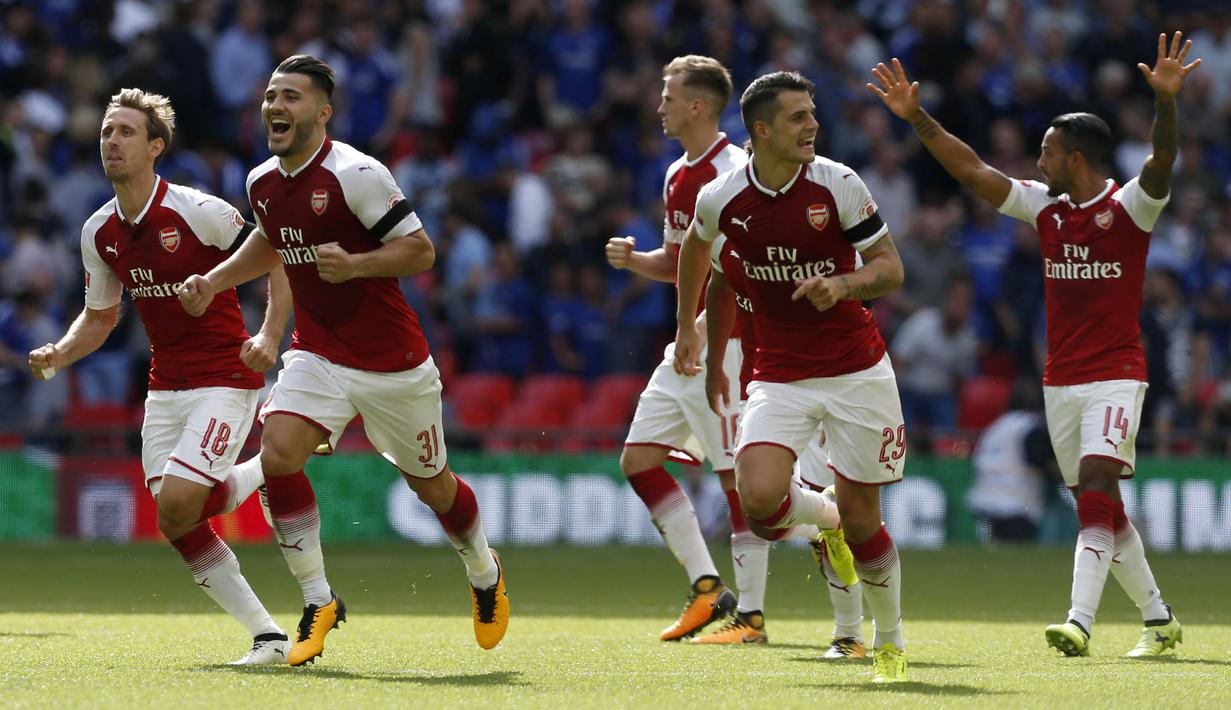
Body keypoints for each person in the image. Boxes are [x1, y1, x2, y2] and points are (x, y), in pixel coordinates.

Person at [867, 32, 1198, 657]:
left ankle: (1079, 620)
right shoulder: (1044, 209)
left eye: (1046, 153)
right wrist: (917, 119)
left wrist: (1166, 103)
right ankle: (1159, 622)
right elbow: (971, 172)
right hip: (1060, 382)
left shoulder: (1130, 208)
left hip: (1116, 374)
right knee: (1101, 504)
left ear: (1076, 158)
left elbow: (1162, 160)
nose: (1036, 163)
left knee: (1096, 483)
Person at [176, 55, 509, 665]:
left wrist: (357, 264)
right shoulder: (261, 183)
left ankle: (485, 572)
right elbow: (270, 242)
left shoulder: (357, 173)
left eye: (292, 97)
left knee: (432, 488)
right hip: (318, 352)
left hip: (394, 365)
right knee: (277, 454)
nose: (276, 106)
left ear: (322, 113)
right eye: (271, 95)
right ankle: (318, 600)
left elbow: (421, 251)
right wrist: (215, 278)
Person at [27, 89, 291, 666]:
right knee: (174, 518)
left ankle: (259, 473)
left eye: (125, 132)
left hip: (226, 377)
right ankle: (268, 637)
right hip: (165, 386)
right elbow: (100, 318)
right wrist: (60, 353)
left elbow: (275, 254)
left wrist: (269, 336)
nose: (111, 141)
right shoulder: (99, 232)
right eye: (105, 131)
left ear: (155, 147)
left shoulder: (199, 211)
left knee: (179, 498)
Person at [675, 70, 909, 683]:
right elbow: (703, 261)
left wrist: (844, 283)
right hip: (777, 374)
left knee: (867, 521)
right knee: (759, 506)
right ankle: (825, 515)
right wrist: (689, 332)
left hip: (856, 370)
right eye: (798, 117)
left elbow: (890, 270)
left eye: (812, 114)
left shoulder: (839, 185)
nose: (813, 125)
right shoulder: (721, 198)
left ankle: (889, 642)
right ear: (762, 130)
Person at [604, 55, 771, 644]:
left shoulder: (736, 171)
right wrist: (637, 261)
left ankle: (751, 618)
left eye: (669, 97)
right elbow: (682, 264)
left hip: (723, 341)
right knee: (639, 459)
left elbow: (742, 269)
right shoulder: (678, 173)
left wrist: (705, 328)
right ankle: (708, 587)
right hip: (689, 338)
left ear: (697, 106)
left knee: (738, 482)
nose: (660, 106)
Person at [705, 225, 864, 659]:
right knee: (761, 513)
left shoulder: (814, 235)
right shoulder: (727, 240)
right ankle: (828, 514)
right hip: (762, 389)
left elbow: (861, 296)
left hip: (817, 384)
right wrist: (701, 345)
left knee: (816, 524)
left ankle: (850, 635)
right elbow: (720, 289)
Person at [967, 380, 1058, 542]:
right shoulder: (1030, 426)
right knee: (1016, 557)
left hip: (984, 498)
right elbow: (1036, 459)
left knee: (994, 556)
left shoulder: (996, 426)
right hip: (1015, 503)